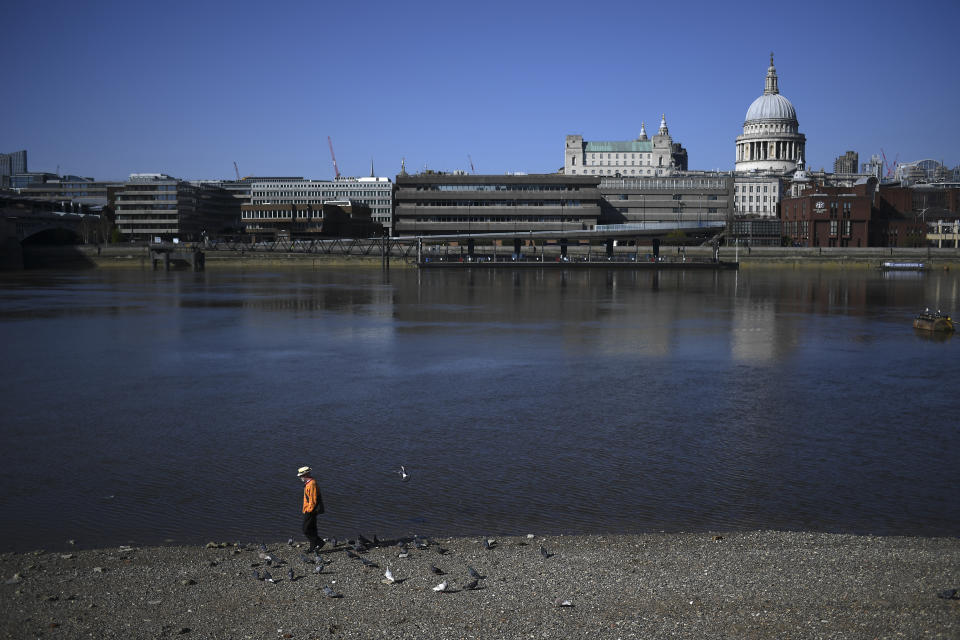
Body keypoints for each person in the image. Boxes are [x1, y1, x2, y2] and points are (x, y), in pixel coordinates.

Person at [298, 466, 324, 552]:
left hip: (310, 510)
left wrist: (309, 510)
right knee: (312, 528)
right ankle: (312, 547)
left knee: (305, 529)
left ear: (305, 475)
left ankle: (320, 542)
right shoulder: (309, 483)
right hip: (309, 509)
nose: (300, 477)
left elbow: (313, 499)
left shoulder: (311, 484)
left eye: (301, 476)